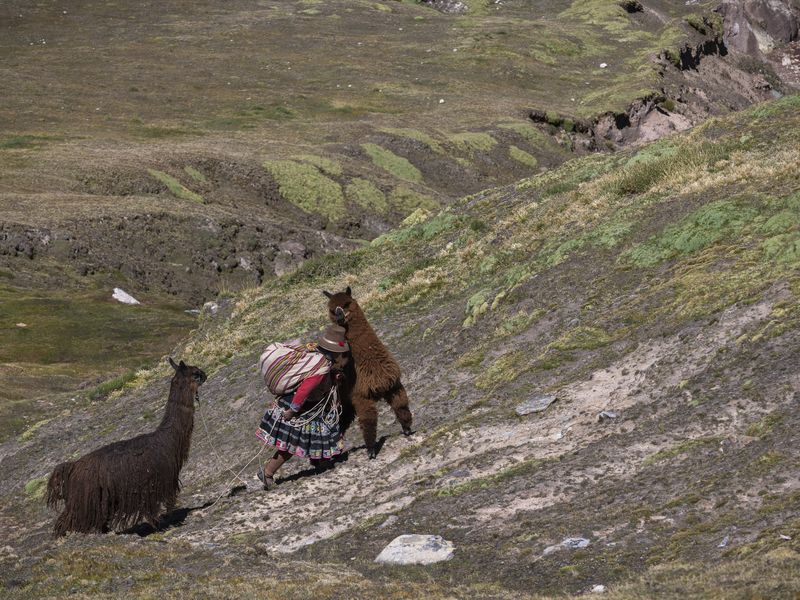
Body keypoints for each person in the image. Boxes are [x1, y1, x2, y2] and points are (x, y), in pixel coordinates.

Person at [255, 324, 350, 490]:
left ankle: (322, 463)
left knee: (316, 435)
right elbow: (305, 389)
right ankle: (267, 473)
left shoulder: (314, 353)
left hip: (299, 404)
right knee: (291, 444)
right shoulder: (321, 365)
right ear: (335, 351)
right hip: (300, 408)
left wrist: (334, 376)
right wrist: (292, 410)